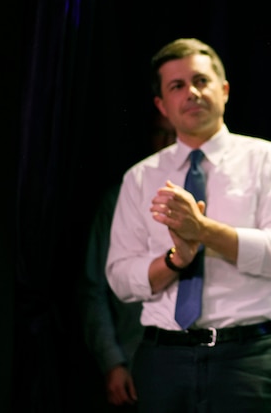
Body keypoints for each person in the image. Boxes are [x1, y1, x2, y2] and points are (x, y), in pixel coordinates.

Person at [106, 37, 271, 412]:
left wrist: (204, 231)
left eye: (200, 81)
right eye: (177, 86)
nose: (191, 93)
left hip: (248, 359)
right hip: (162, 358)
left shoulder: (268, 159)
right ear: (162, 106)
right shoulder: (140, 177)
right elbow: (119, 278)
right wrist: (176, 259)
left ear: (224, 90)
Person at [80, 112, 177, 411]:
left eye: (177, 135)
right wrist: (112, 361)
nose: (170, 143)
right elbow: (94, 288)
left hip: (208, 365)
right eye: (162, 133)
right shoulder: (121, 199)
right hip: (138, 358)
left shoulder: (217, 196)